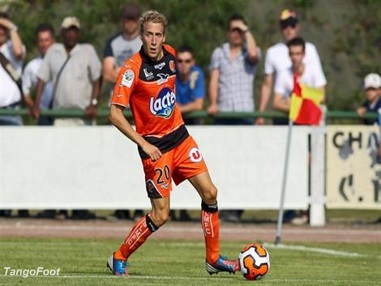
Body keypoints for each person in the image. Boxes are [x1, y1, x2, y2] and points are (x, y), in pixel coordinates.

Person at [107, 10, 239, 276]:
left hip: (180, 138)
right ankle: (118, 257)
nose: (154, 41)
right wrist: (143, 143)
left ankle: (213, 259)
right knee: (160, 215)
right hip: (156, 149)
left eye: (158, 35)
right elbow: (114, 113)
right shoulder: (132, 69)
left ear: (163, 36)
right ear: (141, 36)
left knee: (210, 193)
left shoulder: (170, 54)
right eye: (149, 35)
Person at [32, 16, 102, 220]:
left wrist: (94, 103)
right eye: (67, 31)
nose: (71, 34)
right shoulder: (53, 52)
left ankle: (81, 206)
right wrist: (37, 105)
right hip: (60, 116)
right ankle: (58, 205)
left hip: (81, 118)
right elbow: (42, 78)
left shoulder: (87, 50)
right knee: (59, 163)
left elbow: (97, 78)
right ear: (61, 33)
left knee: (82, 163)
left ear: (78, 33)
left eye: (74, 30)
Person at [207, 13, 260, 223]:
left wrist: (246, 29)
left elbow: (255, 55)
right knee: (223, 162)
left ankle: (237, 209)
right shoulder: (219, 52)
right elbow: (214, 79)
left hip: (245, 114)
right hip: (224, 114)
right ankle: (222, 205)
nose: (236, 34)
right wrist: (213, 103)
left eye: (240, 31)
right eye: (233, 30)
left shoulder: (249, 51)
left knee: (244, 163)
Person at [273, 37, 327, 225]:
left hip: (311, 126)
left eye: (298, 54)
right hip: (295, 128)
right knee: (296, 166)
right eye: (292, 54)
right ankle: (298, 208)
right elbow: (277, 101)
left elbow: (321, 95)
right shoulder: (284, 74)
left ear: (304, 54)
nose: (295, 58)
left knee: (312, 166)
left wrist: (299, 102)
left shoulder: (312, 71)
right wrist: (295, 106)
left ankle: (311, 209)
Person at [103, 3, 143, 221]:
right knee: (118, 161)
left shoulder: (144, 42)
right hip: (119, 106)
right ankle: (121, 207)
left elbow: (147, 73)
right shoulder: (113, 42)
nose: (129, 23)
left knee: (140, 161)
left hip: (139, 109)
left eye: (133, 19)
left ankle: (139, 207)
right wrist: (131, 73)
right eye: (126, 19)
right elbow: (106, 73)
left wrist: (124, 72)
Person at [256, 9, 325, 125]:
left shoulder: (311, 49)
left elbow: (319, 87)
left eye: (292, 25)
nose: (288, 29)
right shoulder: (273, 52)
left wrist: (298, 100)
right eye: (284, 25)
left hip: (307, 111)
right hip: (284, 112)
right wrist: (261, 114)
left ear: (297, 27)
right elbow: (267, 85)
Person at [171, 45, 206, 221]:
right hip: (172, 129)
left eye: (187, 61)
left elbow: (198, 104)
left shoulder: (197, 74)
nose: (183, 65)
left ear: (192, 62)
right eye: (180, 61)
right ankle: (172, 209)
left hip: (190, 128)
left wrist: (178, 109)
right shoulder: (171, 75)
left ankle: (185, 209)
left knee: (192, 172)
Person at [0, 12, 28, 218]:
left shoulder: (11, 48)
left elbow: (18, 52)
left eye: (3, 29)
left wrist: (10, 26)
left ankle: (19, 204)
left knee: (17, 160)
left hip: (12, 110)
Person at [22, 23, 55, 125]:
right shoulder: (32, 66)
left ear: (53, 41)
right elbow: (25, 93)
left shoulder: (64, 61)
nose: (44, 44)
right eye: (41, 40)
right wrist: (35, 106)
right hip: (44, 117)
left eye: (47, 40)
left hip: (63, 115)